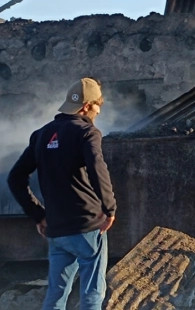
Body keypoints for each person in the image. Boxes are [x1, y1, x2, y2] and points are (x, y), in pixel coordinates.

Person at [7, 77, 117, 310]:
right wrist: (110, 208)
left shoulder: (41, 135)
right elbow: (98, 169)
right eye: (98, 106)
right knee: (92, 295)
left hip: (56, 231)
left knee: (55, 297)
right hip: (87, 226)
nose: (98, 112)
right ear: (87, 106)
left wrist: (39, 215)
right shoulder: (87, 132)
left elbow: (15, 178)